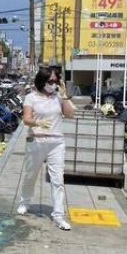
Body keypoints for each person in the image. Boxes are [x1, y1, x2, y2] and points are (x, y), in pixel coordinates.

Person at [19, 67, 75, 230]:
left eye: (56, 81)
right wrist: (38, 123)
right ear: (41, 80)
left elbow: (70, 114)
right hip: (36, 140)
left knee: (58, 179)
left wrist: (64, 95)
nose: (53, 84)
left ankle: (58, 215)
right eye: (50, 81)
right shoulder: (31, 98)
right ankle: (25, 202)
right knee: (31, 174)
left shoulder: (59, 97)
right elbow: (26, 119)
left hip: (56, 142)